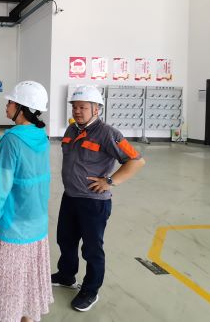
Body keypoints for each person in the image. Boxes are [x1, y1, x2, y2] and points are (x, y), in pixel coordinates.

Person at [51, 85, 145, 312]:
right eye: (74, 107)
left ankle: (91, 290)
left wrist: (110, 181)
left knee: (92, 248)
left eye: (82, 107)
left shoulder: (108, 133)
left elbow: (136, 161)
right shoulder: (71, 130)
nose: (77, 111)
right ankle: (66, 275)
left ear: (96, 109)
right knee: (65, 240)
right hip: (70, 196)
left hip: (94, 202)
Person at [0, 81, 53, 322]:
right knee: (30, 280)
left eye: (11, 102)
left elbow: (2, 187)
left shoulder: (11, 140)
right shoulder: (41, 136)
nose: (7, 105)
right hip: (38, 223)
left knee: (11, 284)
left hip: (14, 226)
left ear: (22, 108)